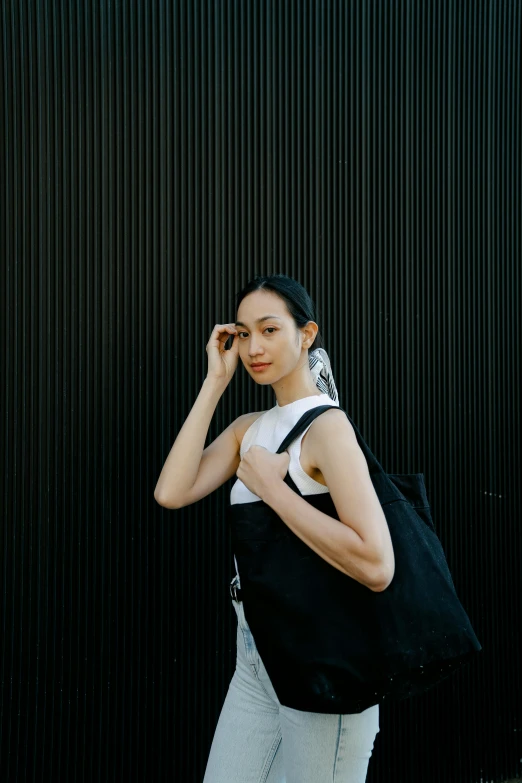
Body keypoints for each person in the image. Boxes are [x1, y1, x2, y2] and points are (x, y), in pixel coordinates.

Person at [154, 274, 394, 782]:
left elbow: (377, 564)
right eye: (243, 334)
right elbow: (171, 492)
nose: (253, 347)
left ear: (306, 335)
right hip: (256, 658)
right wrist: (214, 381)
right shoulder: (250, 427)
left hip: (324, 658)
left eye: (268, 330)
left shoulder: (329, 428)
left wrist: (275, 490)